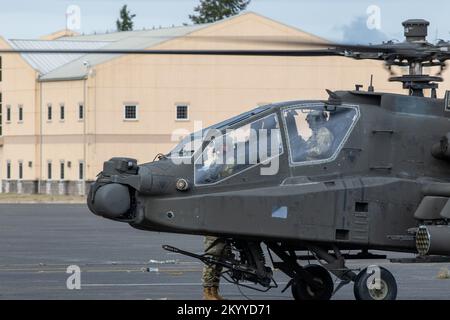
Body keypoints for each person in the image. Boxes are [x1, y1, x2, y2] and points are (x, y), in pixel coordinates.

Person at [202, 236, 230, 300]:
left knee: (219, 264)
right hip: (213, 236)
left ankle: (214, 292)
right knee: (211, 262)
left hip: (224, 234)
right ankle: (207, 292)